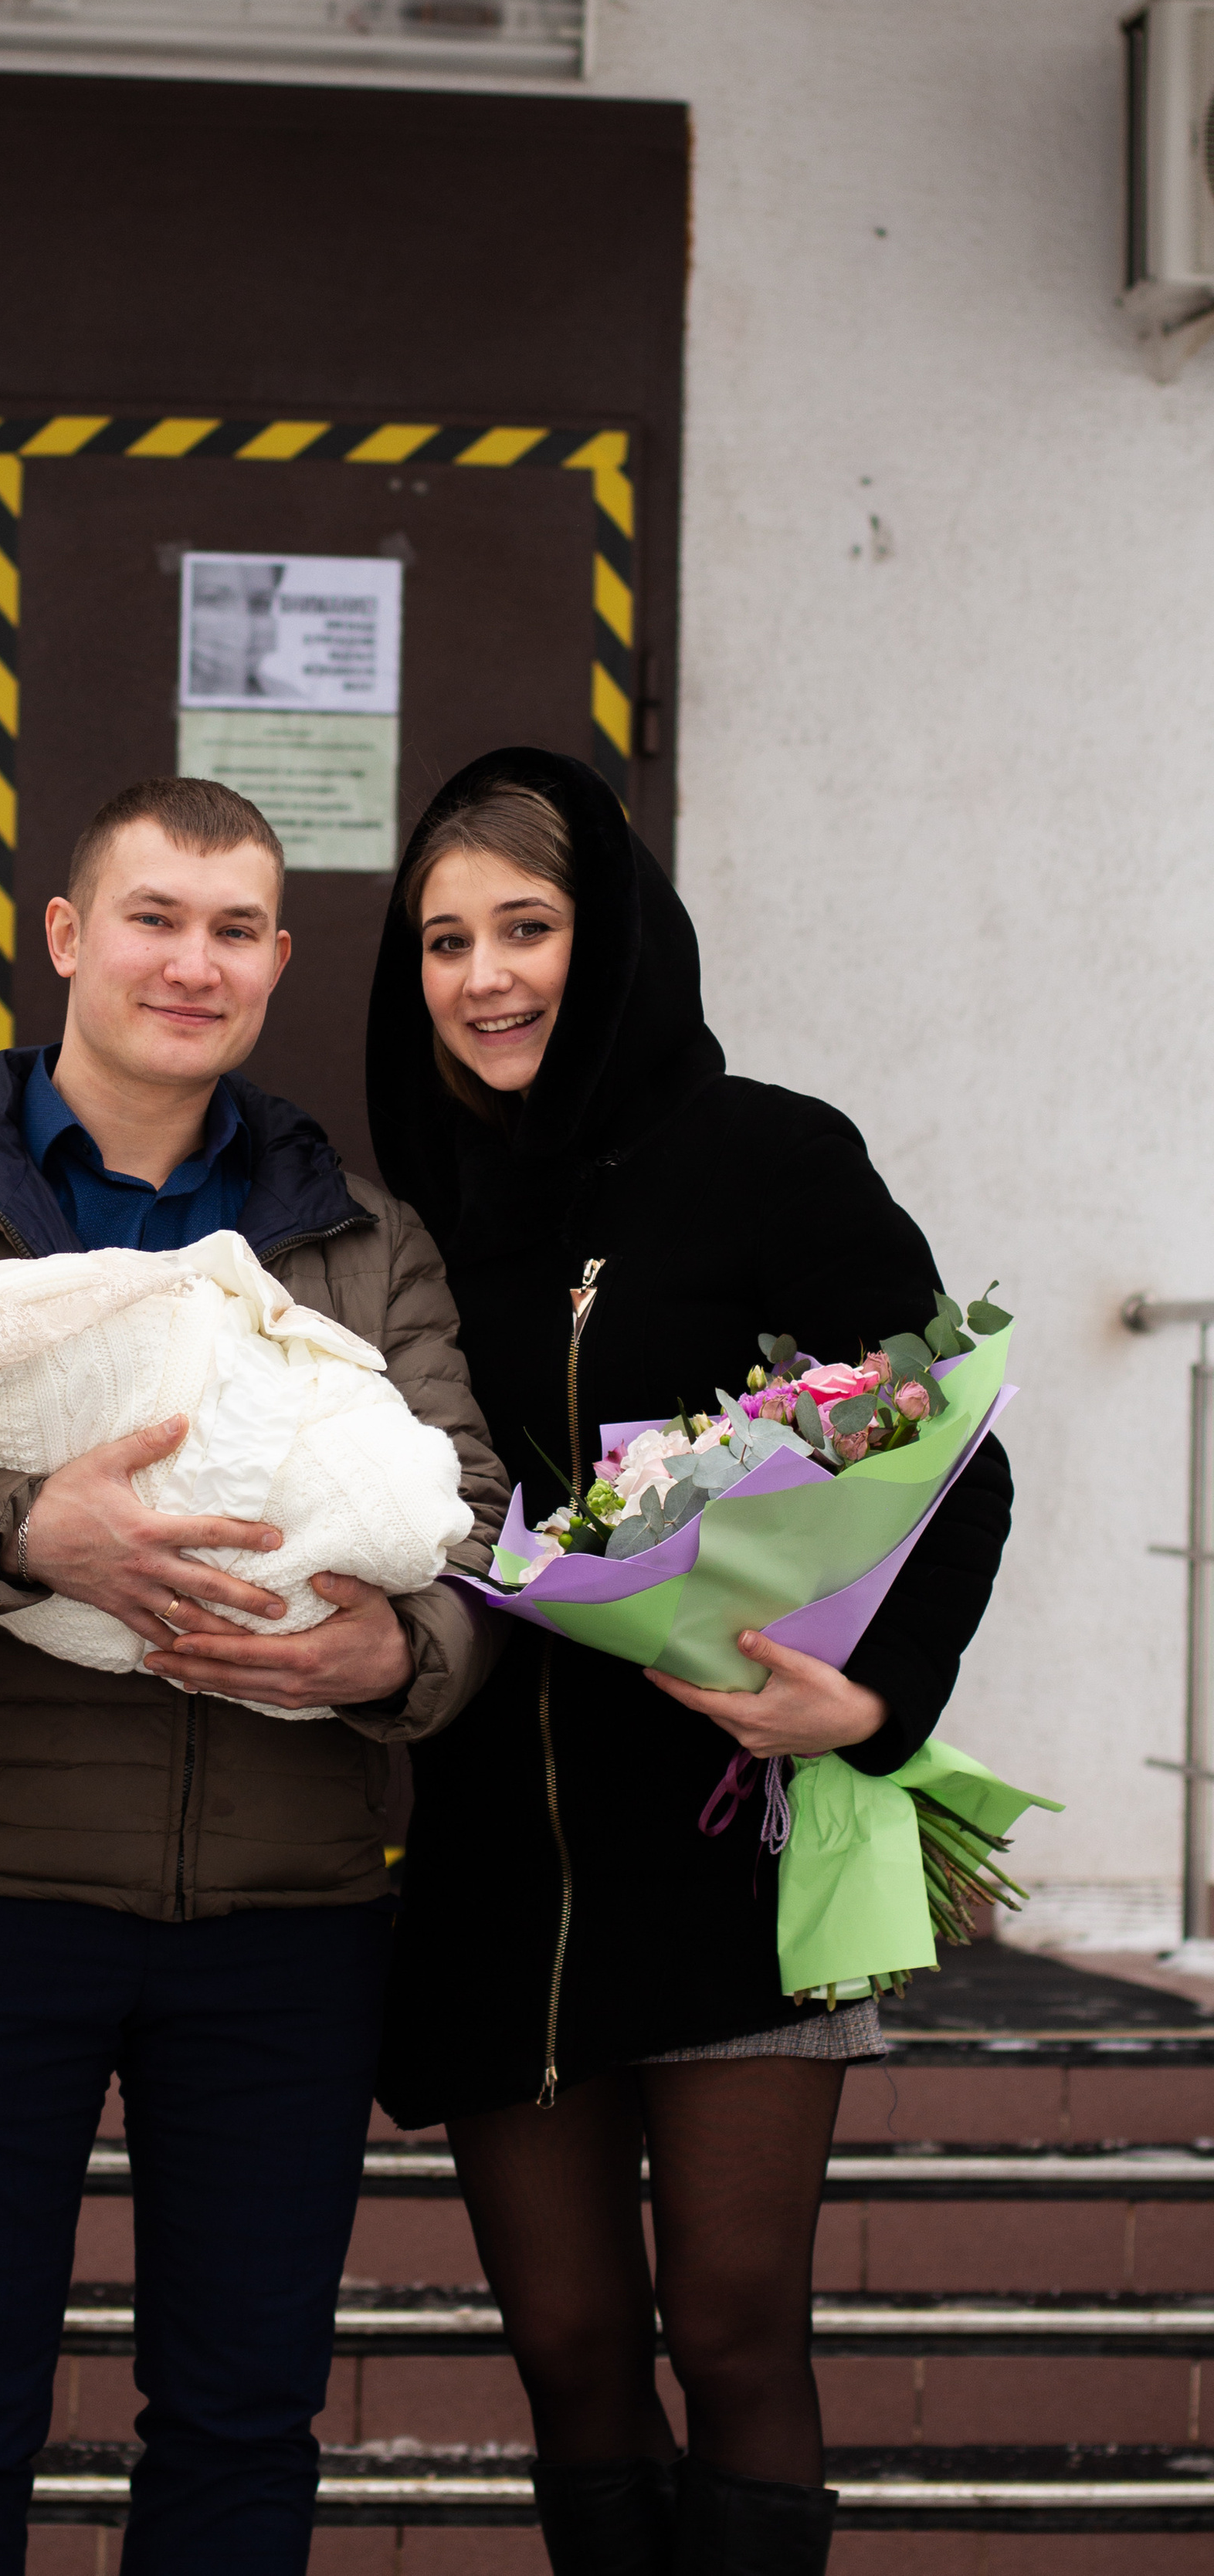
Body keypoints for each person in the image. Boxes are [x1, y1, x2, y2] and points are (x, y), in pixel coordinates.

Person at [0, 773, 508, 2574]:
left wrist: (397, 1650)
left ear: (274, 961)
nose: (195, 961)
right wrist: (23, 1538)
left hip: (287, 1913)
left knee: (245, 2420)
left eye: (236, 927)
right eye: (156, 917)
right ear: (68, 937)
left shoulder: (360, 1236)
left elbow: (480, 1525)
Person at [363, 748, 1013, 2576]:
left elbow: (940, 1452)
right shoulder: (414, 1214)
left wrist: (872, 1702)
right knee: (566, 2352)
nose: (483, 976)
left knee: (732, 2335)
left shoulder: (768, 1158)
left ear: (618, 936)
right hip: (498, 1866)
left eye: (527, 926)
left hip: (729, 1844)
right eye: (440, 940)